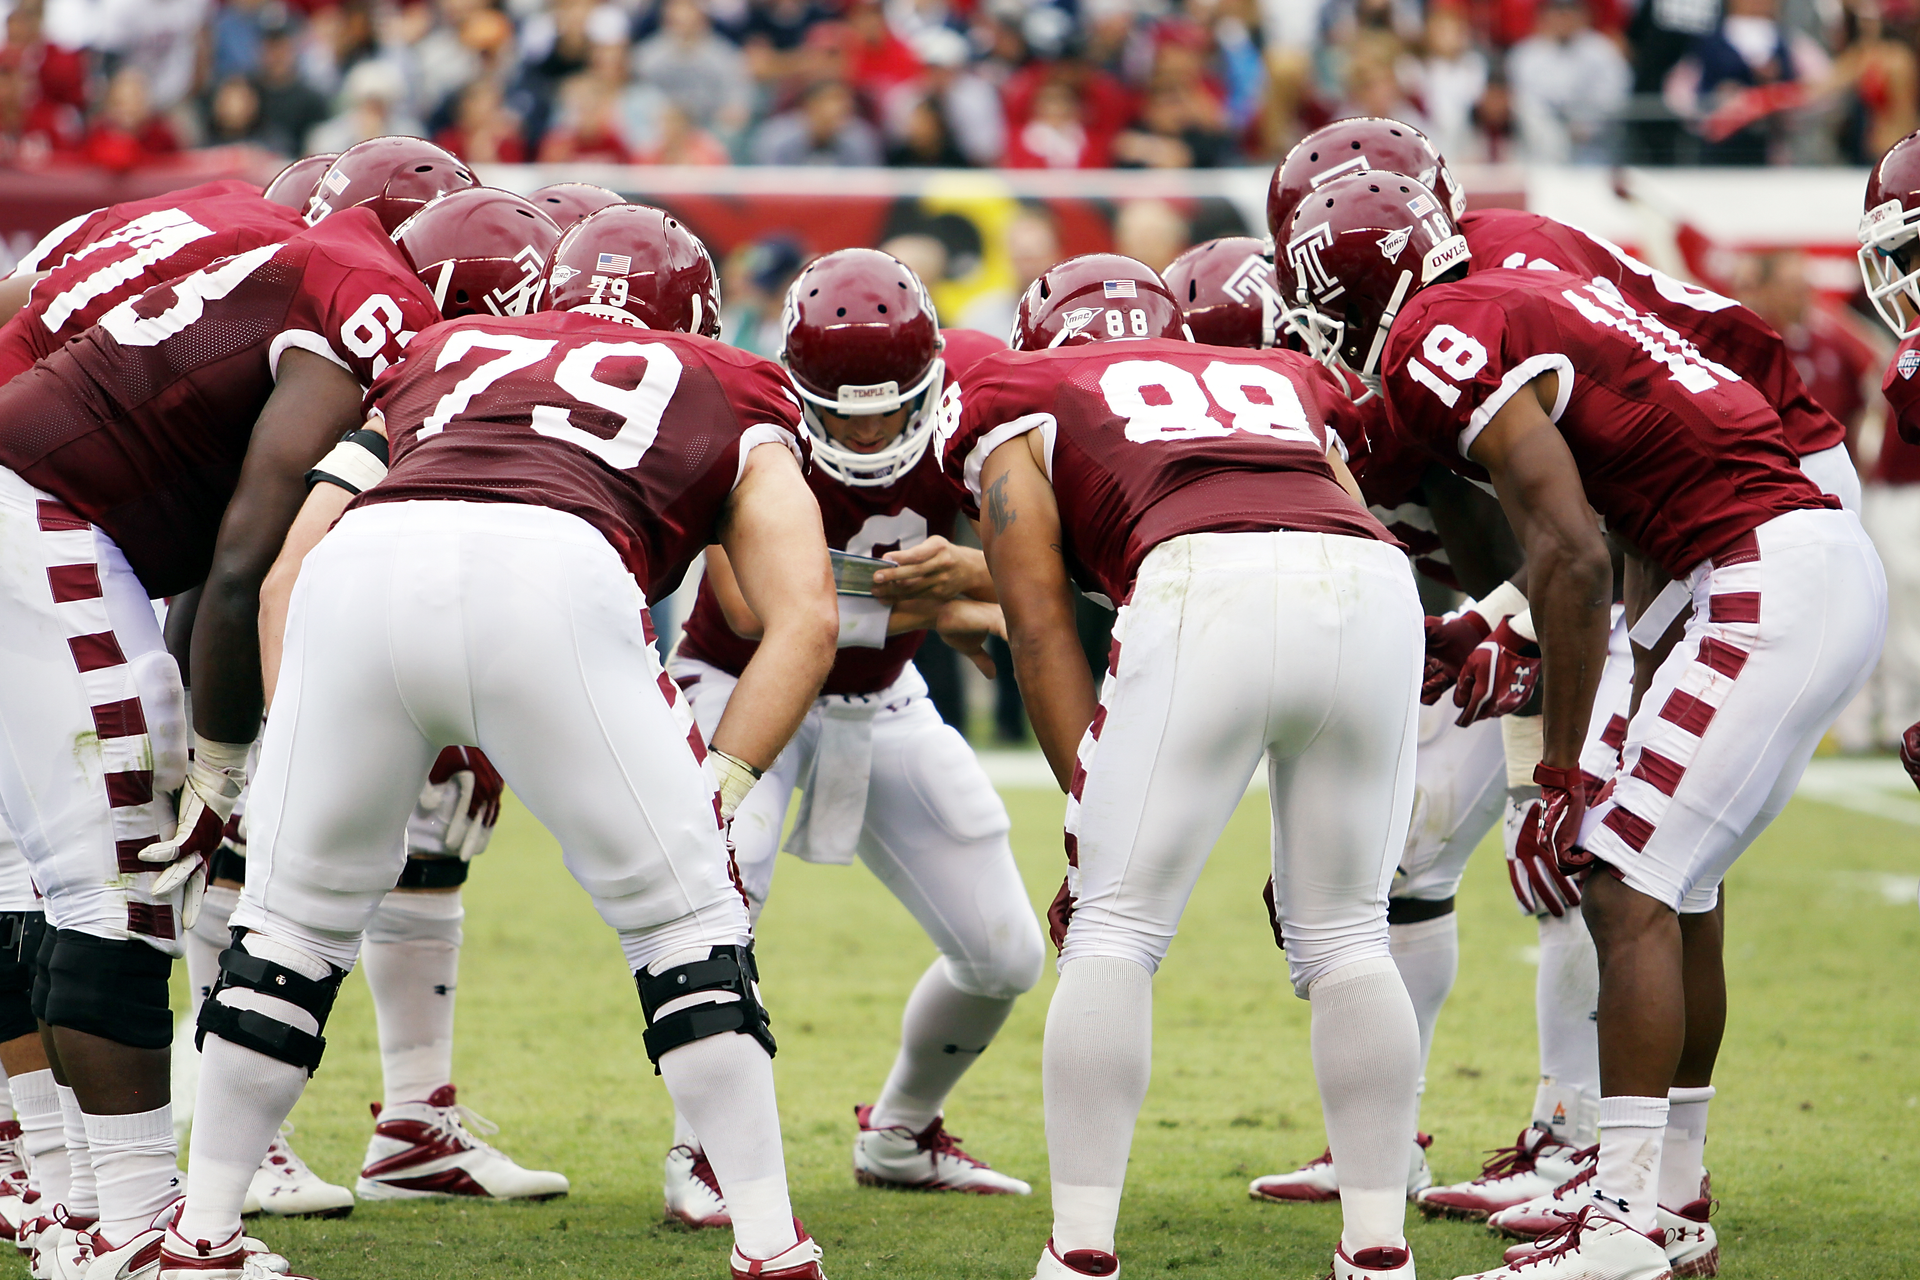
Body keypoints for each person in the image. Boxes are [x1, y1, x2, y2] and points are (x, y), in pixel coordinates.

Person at [169, 201, 839, 1280]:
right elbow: (804, 614)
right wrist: (721, 777)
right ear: (700, 315)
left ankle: (201, 1232)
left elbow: (293, 565)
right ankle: (770, 1241)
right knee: (687, 923)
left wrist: (311, 747)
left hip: (363, 566)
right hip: (555, 567)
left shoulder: (444, 349)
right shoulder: (731, 379)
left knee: (288, 925)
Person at [1289, 169, 1885, 1280]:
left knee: (1622, 882)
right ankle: (1671, 1200)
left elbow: (1565, 549)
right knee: (1681, 890)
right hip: (1747, 562)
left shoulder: (1438, 328)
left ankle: (1617, 1224)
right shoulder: (1506, 288)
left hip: (1759, 569)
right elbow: (1615, 532)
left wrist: (1562, 771)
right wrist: (1515, 644)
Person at [0, 160, 536, 1280]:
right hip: (42, 512)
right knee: (120, 878)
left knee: (42, 873)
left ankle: (69, 1200)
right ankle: (143, 1228)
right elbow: (247, 556)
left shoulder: (208, 207)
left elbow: (24, 305)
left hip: (36, 500)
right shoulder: (362, 289)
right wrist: (224, 761)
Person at [947, 252, 1426, 1280]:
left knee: (1114, 923)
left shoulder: (1017, 389)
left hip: (1203, 578)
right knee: (1348, 928)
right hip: (1375, 584)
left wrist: (1095, 817)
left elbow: (1036, 628)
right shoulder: (1278, 377)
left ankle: (1080, 1247)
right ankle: (1380, 1246)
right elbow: (1346, 513)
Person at [664, 248, 1042, 1224]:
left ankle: (903, 1132)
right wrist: (945, 589)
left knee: (1005, 950)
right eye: (846, 408)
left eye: (891, 405)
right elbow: (752, 608)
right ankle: (700, 1153)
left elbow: (1056, 563)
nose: (871, 428)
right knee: (716, 899)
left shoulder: (974, 396)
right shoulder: (747, 409)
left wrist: (966, 576)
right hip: (742, 689)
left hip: (880, 697)